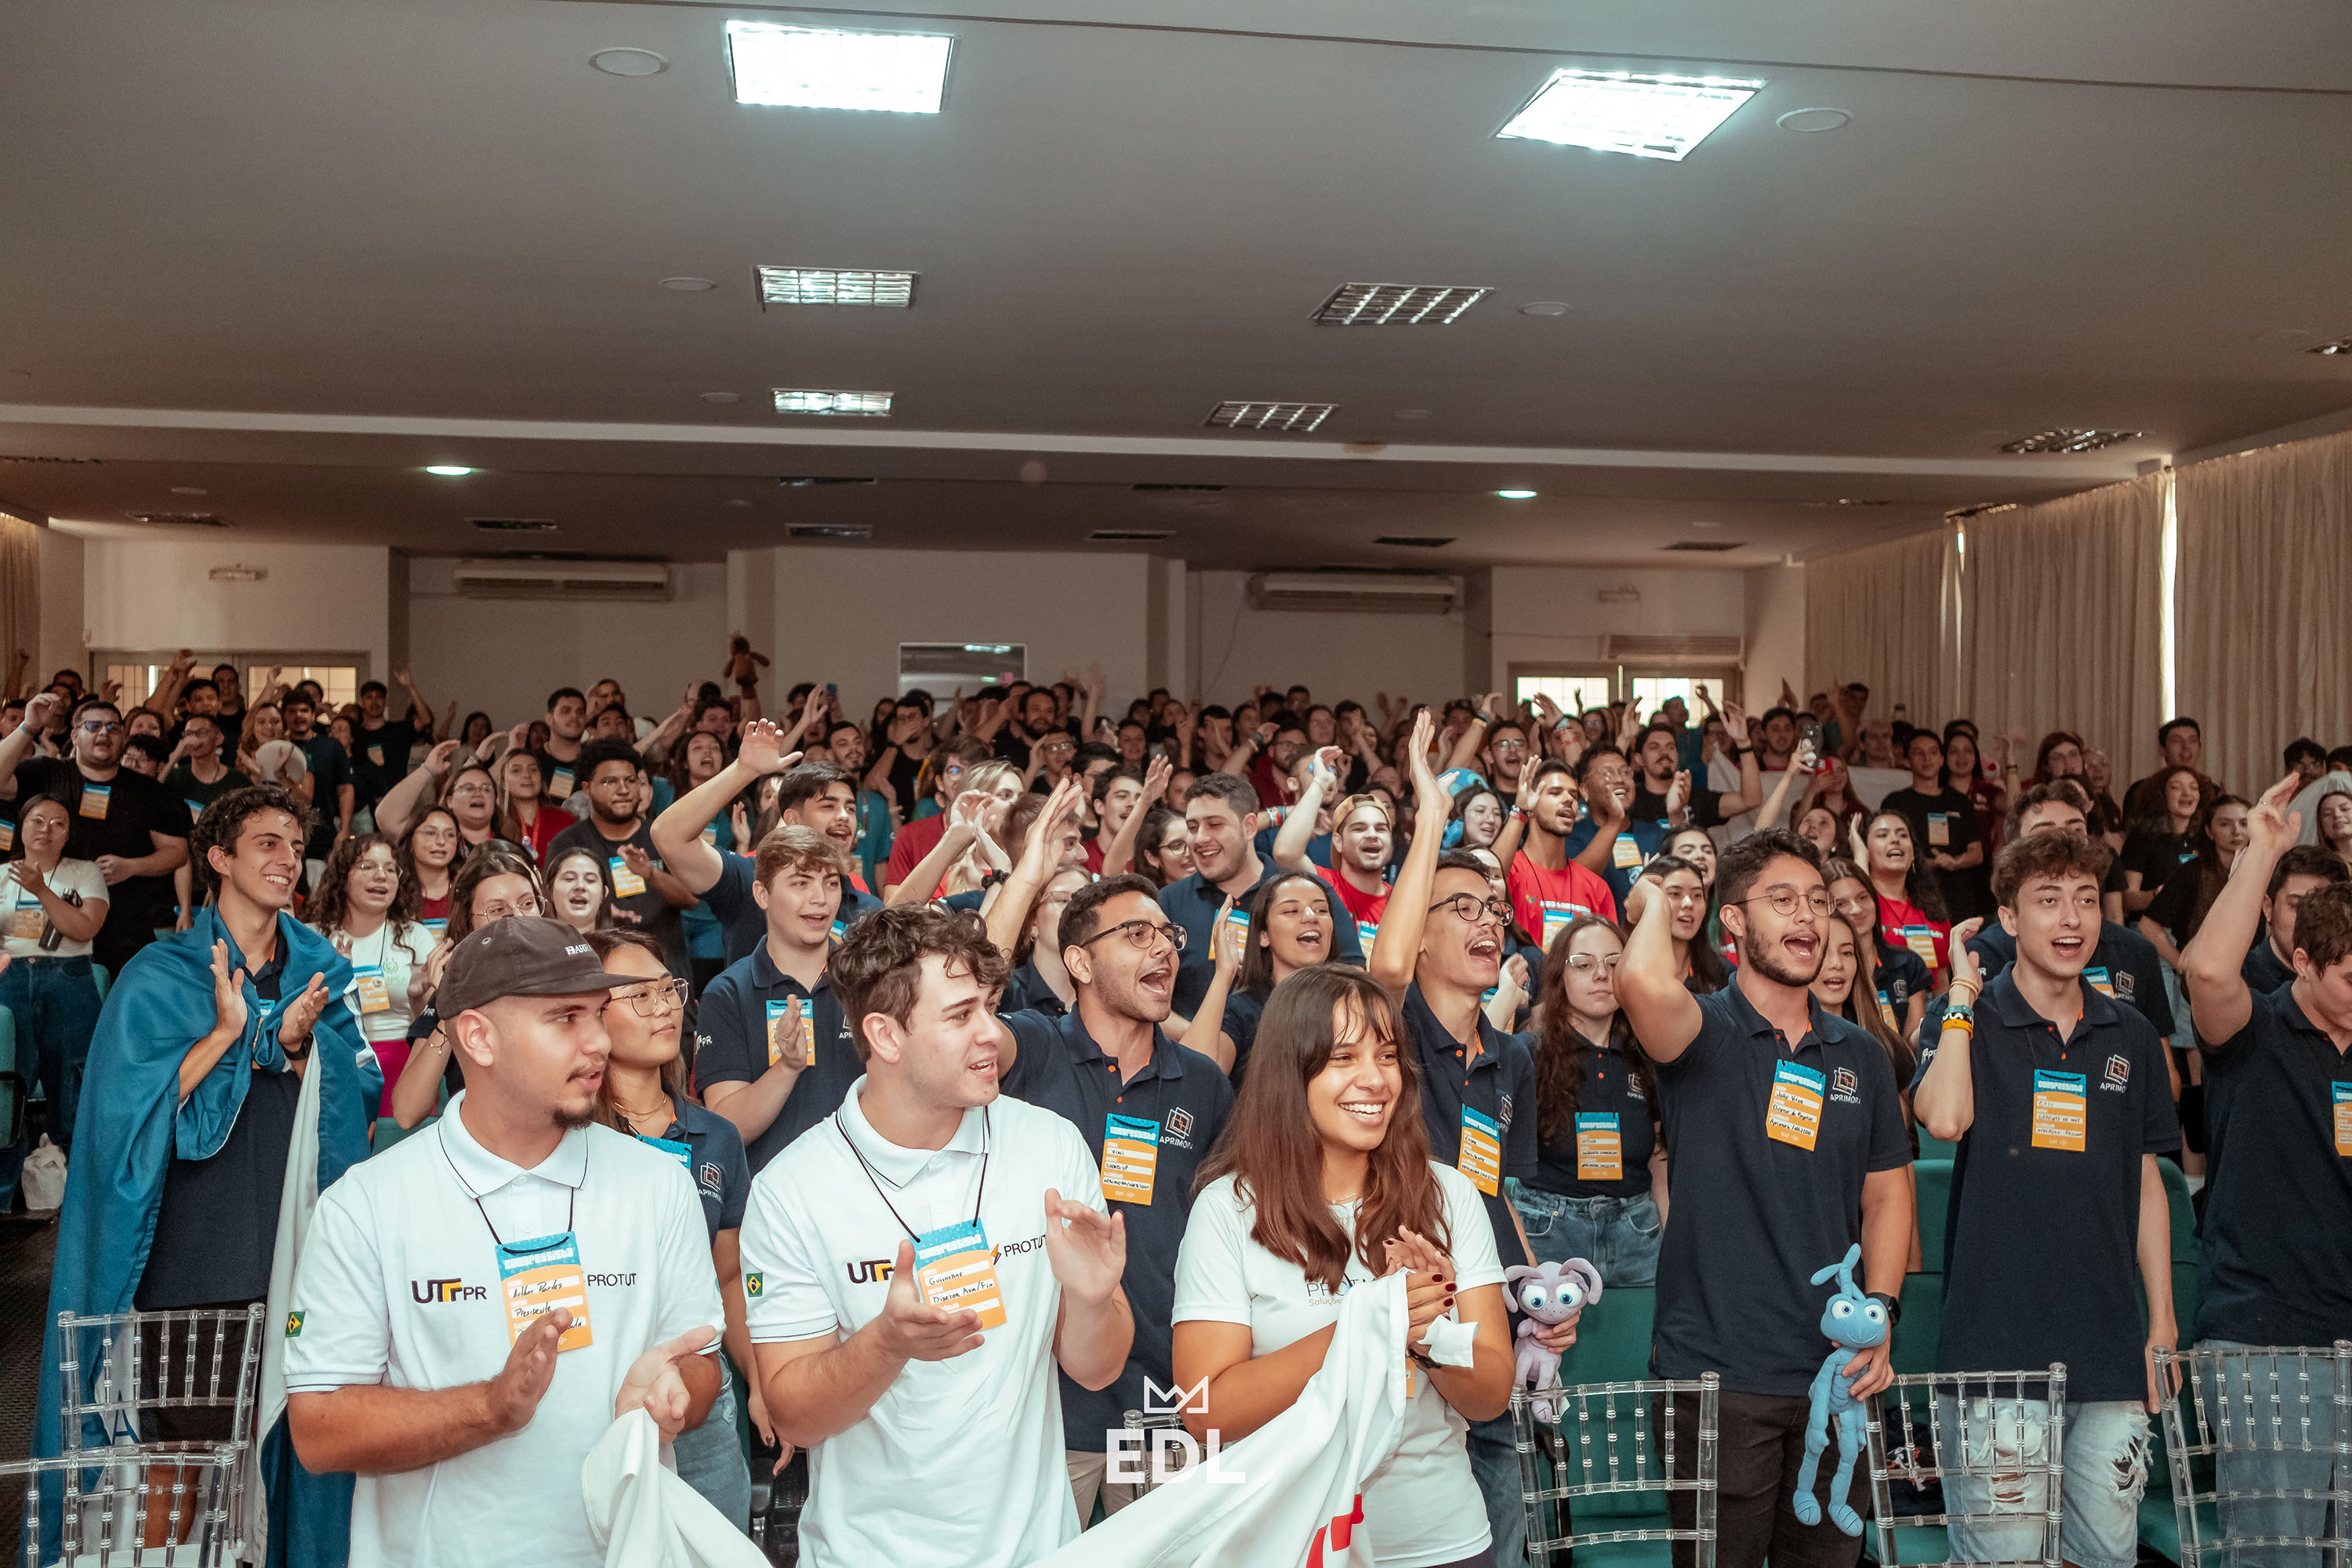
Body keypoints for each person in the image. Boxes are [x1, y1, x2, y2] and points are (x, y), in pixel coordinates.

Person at [283, 916, 725, 1568]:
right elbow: (319, 1431)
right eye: (566, 1019)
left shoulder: (659, 1183)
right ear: (479, 1037)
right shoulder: (366, 1204)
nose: (599, 1040)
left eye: (598, 1014)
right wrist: (491, 1407)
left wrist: (675, 1392)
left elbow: (702, 1359)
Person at [35, 785, 375, 1563]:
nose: (286, 859)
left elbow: (358, 1088)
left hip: (299, 1248)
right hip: (197, 1250)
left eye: (295, 844)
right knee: (180, 1463)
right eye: (266, 842)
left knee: (291, 1454)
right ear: (219, 858)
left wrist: (296, 1045)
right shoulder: (161, 971)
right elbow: (126, 1109)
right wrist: (233, 1033)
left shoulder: (323, 969)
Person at [739, 903, 1134, 1568]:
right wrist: (886, 1345)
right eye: (960, 1016)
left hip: (1038, 1550)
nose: (991, 1034)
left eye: (989, 1006)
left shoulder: (1049, 1146)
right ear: (885, 1036)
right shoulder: (792, 1190)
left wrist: (1095, 1299)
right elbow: (793, 1417)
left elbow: (1098, 1369)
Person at [1616, 827, 1912, 1568]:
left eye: (1817, 901)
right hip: (1718, 1377)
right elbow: (1644, 984)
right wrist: (1655, 898)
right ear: (1735, 923)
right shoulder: (1702, 1030)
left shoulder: (1862, 1056)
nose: (1808, 918)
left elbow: (1887, 1199)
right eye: (1782, 901)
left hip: (1835, 1379)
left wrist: (1882, 1314)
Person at [1172, 964, 1517, 1568]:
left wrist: (1425, 1334)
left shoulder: (1449, 1195)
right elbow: (1207, 1411)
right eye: (1343, 1058)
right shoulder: (1226, 1208)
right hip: (1289, 1542)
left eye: (1387, 1056)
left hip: (1440, 1539)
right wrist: (1367, 1322)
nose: (1374, 1080)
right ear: (1290, 1073)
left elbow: (1490, 1395)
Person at [1911, 832, 2181, 1568]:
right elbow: (1942, 1118)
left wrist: (2161, 1320)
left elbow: (2148, 1183)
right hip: (1995, 1348)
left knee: (2108, 1557)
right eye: (2049, 900)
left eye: (2087, 900)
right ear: (2007, 916)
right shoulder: (1968, 1018)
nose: (2072, 919)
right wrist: (1962, 995)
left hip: (2109, 1349)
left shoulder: (2129, 1030)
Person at [986, 860, 1236, 1526]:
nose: (1162, 947)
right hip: (1037, 1404)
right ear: (1079, 961)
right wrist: (1027, 875)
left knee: (1178, 1552)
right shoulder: (1031, 1047)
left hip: (1163, 1399)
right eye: (1135, 934)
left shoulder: (1204, 1084)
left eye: (1167, 935)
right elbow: (961, 1019)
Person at [1368, 711, 1545, 1563]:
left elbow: (1502, 1189)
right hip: (1400, 1317)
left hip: (1489, 1318)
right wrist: (1432, 817)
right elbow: (1388, 964)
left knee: (1501, 1534)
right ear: (1421, 925)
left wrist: (1538, 1295)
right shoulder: (1388, 1031)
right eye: (1462, 907)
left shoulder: (1511, 1054)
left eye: (1497, 909)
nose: (1489, 922)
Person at [2172, 773, 2352, 1562]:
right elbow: (2206, 971)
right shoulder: (2254, 1029)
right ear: (2303, 960)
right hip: (2270, 1348)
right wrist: (2261, 850)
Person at [583, 926, 760, 1530]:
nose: (663, 1007)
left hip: (701, 1398)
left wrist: (759, 1384)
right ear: (589, 1016)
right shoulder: (572, 1142)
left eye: (669, 990)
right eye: (639, 996)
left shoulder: (717, 1136)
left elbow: (728, 1277)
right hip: (598, 1396)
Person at [691, 826, 864, 1174]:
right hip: (774, 1205)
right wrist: (787, 1068)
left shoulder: (869, 978)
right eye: (801, 883)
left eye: (831, 883)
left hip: (871, 1192)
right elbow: (728, 1129)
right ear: (762, 894)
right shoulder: (728, 992)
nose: (820, 898)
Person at [1512, 914, 1667, 1286]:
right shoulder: (1527, 1053)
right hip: (1547, 1230)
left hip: (1637, 1232)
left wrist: (1673, 1242)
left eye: (1614, 963)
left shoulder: (1651, 1054)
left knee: (1636, 1344)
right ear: (1558, 977)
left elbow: (1660, 1160)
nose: (1601, 974)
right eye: (1583, 964)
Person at [655, 724, 882, 967]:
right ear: (793, 820)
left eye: (850, 808)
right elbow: (668, 836)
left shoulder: (865, 905)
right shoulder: (748, 878)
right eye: (828, 806)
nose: (844, 816)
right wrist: (744, 771)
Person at [1160, 771, 1364, 1021]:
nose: (1201, 838)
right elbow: (1143, 993)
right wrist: (1201, 1042)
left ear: (1249, 827)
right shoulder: (1167, 902)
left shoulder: (1305, 892)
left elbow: (1354, 977)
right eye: (1193, 827)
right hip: (1193, 1055)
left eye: (1215, 824)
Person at [0, 795, 107, 1210]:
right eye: (38, 820)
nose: (46, 829)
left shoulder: (84, 873)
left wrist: (41, 889)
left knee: (74, 1085)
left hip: (69, 979)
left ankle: (81, 1201)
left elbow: (83, 927)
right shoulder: (3, 875)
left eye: (58, 823)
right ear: (21, 826)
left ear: (69, 833)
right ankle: (5, 1200)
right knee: (9, 1086)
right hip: (11, 981)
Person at [387, 849, 545, 1128]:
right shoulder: (453, 993)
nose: (517, 918)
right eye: (498, 910)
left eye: (527, 904)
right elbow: (407, 1111)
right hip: (479, 1147)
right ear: (468, 921)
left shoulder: (568, 979)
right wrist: (453, 1004)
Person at [545, 738, 693, 981]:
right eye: (609, 781)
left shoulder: (664, 836)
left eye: (630, 780)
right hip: (595, 972)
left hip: (666, 969)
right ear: (586, 788)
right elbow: (551, 908)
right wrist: (598, 912)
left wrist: (651, 875)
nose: (623, 790)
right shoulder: (567, 844)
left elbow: (691, 899)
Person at [307, 833, 433, 1116]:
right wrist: (337, 979)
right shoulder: (313, 939)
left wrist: (417, 1000)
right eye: (368, 866)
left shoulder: (416, 937)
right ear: (343, 876)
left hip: (405, 1062)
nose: (382, 876)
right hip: (335, 1063)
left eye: (390, 869)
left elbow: (433, 1018)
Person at [1183, 868, 1339, 1078]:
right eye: (1291, 911)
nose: (1311, 917)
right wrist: (1223, 974)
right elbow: (1194, 1078)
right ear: (1263, 935)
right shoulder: (1243, 1010)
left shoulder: (1348, 1003)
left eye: (1321, 910)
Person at [1505, 758, 1619, 951]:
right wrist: (1520, 811)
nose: (1569, 800)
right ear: (1531, 806)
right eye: (1555, 793)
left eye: (1574, 795)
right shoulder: (1510, 872)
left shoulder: (1596, 888)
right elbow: (1489, 876)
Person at [1878, 728, 1986, 922]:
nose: (1927, 758)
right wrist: (1925, 863)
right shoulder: (1895, 802)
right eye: (1919, 753)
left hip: (1958, 899)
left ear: (1942, 759)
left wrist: (1955, 862)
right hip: (1912, 895)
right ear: (1907, 761)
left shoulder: (1960, 802)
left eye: (1933, 752)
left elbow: (1977, 853)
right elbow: (1885, 851)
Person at [1823, 856, 1928, 1047]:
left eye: (1862, 897)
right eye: (1842, 903)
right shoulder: (1823, 970)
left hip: (1901, 1069)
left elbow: (1912, 1046)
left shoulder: (1908, 962)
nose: (1856, 909)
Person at [1858, 810, 1952, 984]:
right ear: (1866, 852)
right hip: (1883, 1003)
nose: (1895, 840)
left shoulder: (1932, 907)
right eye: (1882, 835)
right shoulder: (1861, 905)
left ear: (1914, 852)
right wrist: (1858, 857)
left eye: (1902, 835)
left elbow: (1942, 978)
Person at [2241, 845, 2349, 996]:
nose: (2309, 920)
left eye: (2324, 908)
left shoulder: (2343, 979)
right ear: (2268, 907)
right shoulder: (2240, 979)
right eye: (2297, 906)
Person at [282, 690, 355, 872]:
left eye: (304, 710)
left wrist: (344, 830)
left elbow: (346, 789)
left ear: (314, 715)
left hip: (323, 834)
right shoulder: (278, 748)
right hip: (283, 833)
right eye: (292, 711)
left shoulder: (331, 746)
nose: (298, 716)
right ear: (284, 715)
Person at [2121, 764, 2205, 916]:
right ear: (2161, 795)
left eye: (2194, 788)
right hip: (2150, 926)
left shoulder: (2205, 836)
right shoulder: (2142, 837)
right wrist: (2158, 895)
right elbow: (2128, 898)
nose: (2187, 793)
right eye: (2176, 787)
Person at [350, 670, 432, 810]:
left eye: (379, 697)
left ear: (385, 702)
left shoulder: (398, 730)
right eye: (369, 697)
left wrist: (410, 687)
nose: (375, 701)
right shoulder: (355, 734)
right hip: (363, 807)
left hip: (397, 801)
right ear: (361, 702)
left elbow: (426, 719)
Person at [2123, 717, 2220, 825]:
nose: (2186, 747)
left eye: (2192, 741)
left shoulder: (2213, 791)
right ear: (2162, 749)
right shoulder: (2140, 790)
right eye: (2177, 741)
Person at [162, 710, 249, 819]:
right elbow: (152, 798)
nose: (194, 739)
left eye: (201, 733)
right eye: (188, 734)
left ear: (218, 739)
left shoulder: (238, 781)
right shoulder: (174, 778)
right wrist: (174, 759)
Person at [401, 804, 460, 929]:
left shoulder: (468, 890)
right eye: (430, 833)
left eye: (450, 835)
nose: (441, 841)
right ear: (410, 841)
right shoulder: (396, 893)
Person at [542, 844, 616, 936]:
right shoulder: (534, 948)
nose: (580, 886)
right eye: (569, 879)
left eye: (590, 880)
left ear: (604, 894)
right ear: (550, 890)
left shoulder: (621, 949)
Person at [531, 686, 589, 803]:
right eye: (566, 711)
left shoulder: (595, 758)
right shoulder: (533, 760)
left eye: (580, 712)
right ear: (549, 719)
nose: (574, 717)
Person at [1135, 804, 1194, 888]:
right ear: (1152, 858)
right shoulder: (1147, 900)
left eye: (1192, 842)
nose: (1189, 853)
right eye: (1177, 846)